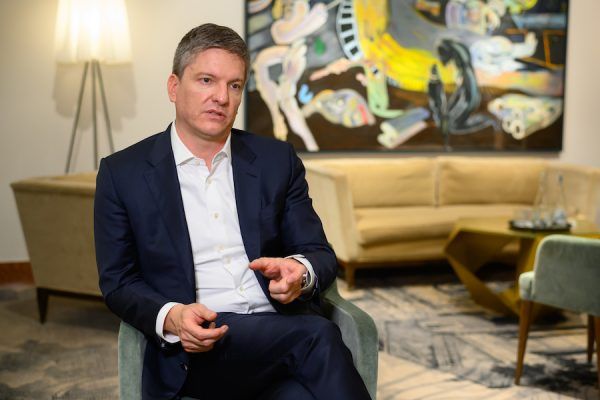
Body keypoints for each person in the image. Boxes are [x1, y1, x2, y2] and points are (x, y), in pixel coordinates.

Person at [94, 23, 371, 400]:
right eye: (206, 80)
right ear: (174, 87)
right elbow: (118, 281)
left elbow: (319, 253)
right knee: (318, 337)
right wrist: (173, 316)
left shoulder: (276, 161)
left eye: (234, 85)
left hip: (280, 336)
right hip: (200, 348)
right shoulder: (123, 174)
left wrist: (299, 272)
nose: (221, 97)